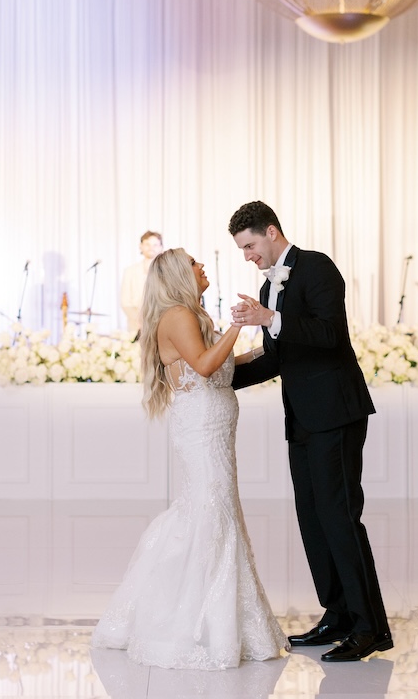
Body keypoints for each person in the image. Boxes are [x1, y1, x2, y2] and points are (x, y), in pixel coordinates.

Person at [92, 247, 288, 670]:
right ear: (180, 274)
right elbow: (202, 366)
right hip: (201, 429)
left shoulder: (187, 315)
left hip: (212, 426)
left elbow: (216, 367)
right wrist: (239, 327)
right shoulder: (178, 316)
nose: (202, 267)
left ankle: (225, 620)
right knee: (208, 512)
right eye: (194, 262)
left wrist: (259, 354)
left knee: (218, 511)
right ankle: (193, 622)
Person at [228, 201, 392, 663]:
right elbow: (278, 360)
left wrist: (268, 320)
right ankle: (337, 614)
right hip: (301, 419)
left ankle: (368, 628)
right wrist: (217, 379)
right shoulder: (269, 286)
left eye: (251, 246)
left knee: (340, 518)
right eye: (242, 249)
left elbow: (330, 334)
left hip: (336, 414)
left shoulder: (317, 266)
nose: (248, 256)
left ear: (273, 232)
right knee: (313, 519)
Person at [120, 230, 164, 335]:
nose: (151, 248)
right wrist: (141, 322)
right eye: (147, 244)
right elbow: (125, 302)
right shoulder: (130, 271)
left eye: (155, 245)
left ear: (161, 247)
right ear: (141, 246)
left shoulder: (167, 272)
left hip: (161, 325)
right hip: (136, 327)